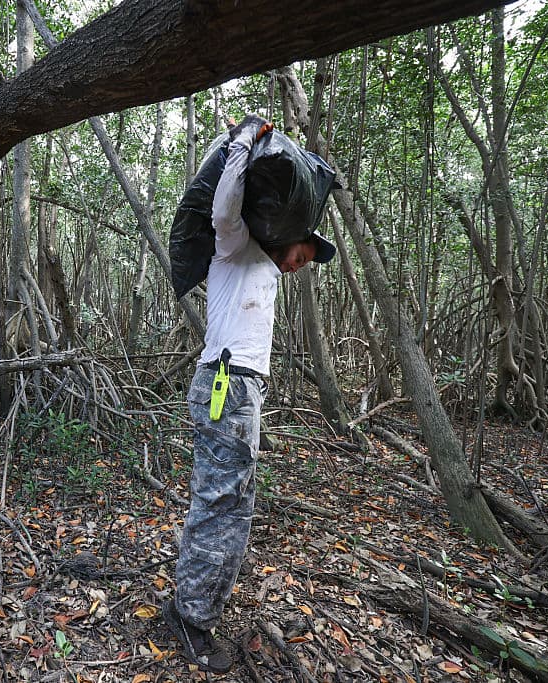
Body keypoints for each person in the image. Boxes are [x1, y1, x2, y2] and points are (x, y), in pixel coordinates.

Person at [162, 114, 336, 674]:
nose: (302, 263)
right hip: (224, 384)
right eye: (305, 254)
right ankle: (190, 619)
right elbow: (222, 209)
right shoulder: (235, 247)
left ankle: (200, 604)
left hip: (241, 390)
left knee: (234, 505)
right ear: (291, 238)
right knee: (219, 503)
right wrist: (242, 144)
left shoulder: (264, 265)